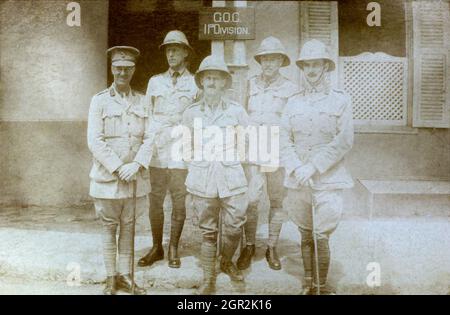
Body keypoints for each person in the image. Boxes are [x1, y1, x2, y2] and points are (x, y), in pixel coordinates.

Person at [280, 39, 354, 295]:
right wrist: (297, 168)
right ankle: (307, 282)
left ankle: (321, 286)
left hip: (328, 179)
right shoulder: (292, 102)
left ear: (326, 67)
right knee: (305, 232)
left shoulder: (341, 100)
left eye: (316, 65)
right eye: (306, 65)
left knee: (322, 234)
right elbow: (283, 140)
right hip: (299, 179)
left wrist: (313, 167)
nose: (311, 70)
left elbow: (344, 141)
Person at [87, 46, 153, 295]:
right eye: (118, 68)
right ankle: (110, 278)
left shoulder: (143, 100)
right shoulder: (99, 100)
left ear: (133, 70)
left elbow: (151, 137)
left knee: (129, 227)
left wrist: (136, 165)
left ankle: (125, 276)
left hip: (135, 178)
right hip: (107, 179)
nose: (122, 72)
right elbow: (95, 140)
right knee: (108, 227)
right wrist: (118, 167)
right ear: (112, 69)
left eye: (127, 68)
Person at [182, 55, 250, 295]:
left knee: (235, 224)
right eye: (207, 78)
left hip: (231, 175)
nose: (211, 82)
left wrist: (230, 159)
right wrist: (199, 164)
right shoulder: (191, 113)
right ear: (201, 82)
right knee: (208, 230)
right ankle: (208, 279)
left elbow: (246, 144)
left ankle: (226, 260)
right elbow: (185, 148)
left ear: (224, 83)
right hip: (203, 178)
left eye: (216, 78)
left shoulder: (237, 111)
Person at [237, 36, 298, 271]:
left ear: (281, 61)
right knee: (251, 200)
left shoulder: (291, 89)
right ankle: (249, 245)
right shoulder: (249, 85)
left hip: (277, 152)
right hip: (253, 151)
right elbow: (240, 118)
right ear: (259, 61)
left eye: (273, 59)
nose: (268, 63)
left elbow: (293, 124)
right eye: (264, 59)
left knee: (276, 200)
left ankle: (272, 246)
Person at [138, 30, 197, 269]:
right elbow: (148, 116)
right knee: (155, 201)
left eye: (175, 49)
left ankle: (173, 247)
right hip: (159, 151)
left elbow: (196, 118)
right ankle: (157, 247)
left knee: (179, 201)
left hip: (181, 152)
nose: (170, 53)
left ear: (185, 52)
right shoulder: (155, 81)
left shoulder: (194, 83)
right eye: (167, 49)